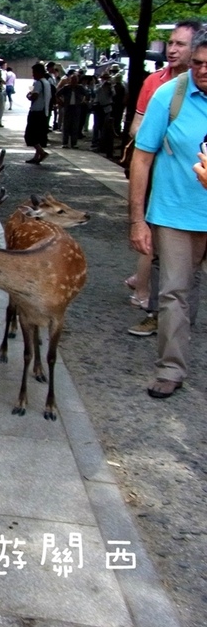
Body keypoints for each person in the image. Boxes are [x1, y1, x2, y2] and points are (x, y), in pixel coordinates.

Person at [127, 28, 207, 398]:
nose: (202, 71)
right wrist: (138, 219)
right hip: (176, 213)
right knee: (175, 291)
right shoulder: (169, 96)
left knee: (188, 291)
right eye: (198, 63)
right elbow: (142, 158)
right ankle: (171, 368)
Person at [24, 62, 53, 164]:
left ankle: (41, 152)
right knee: (38, 135)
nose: (33, 74)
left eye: (34, 72)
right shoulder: (47, 82)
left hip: (36, 111)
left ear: (39, 72)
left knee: (30, 135)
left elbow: (34, 96)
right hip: (44, 112)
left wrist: (28, 96)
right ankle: (37, 156)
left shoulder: (38, 83)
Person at [57, 69, 86, 148]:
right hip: (68, 107)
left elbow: (87, 95)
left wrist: (83, 101)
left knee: (75, 126)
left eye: (75, 80)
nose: (74, 81)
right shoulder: (66, 88)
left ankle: (74, 143)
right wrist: (61, 102)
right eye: (72, 79)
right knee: (66, 125)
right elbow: (57, 94)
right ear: (70, 80)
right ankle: (65, 142)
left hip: (76, 107)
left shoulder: (80, 88)